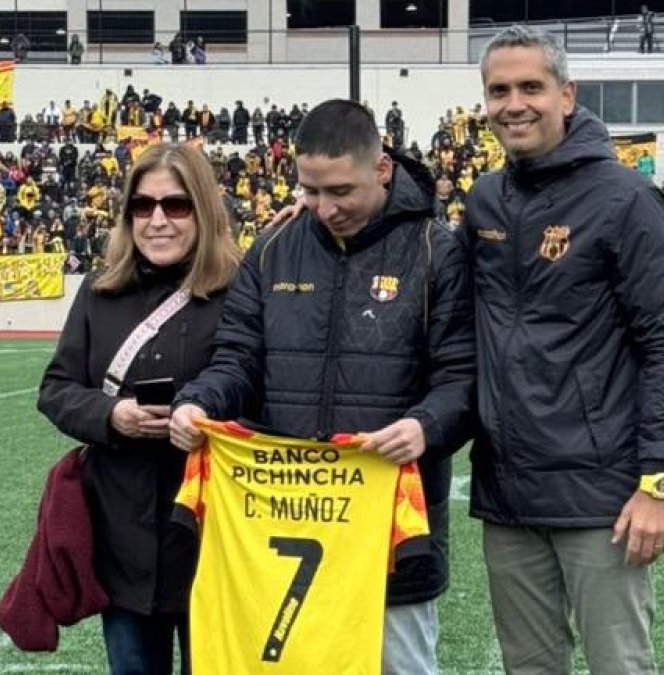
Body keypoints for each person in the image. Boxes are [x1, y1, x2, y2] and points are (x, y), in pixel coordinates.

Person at [169, 99, 475, 675]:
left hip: (387, 533)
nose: (324, 207)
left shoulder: (437, 250)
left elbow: (462, 379)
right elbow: (237, 361)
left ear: (381, 169)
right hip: (283, 520)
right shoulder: (273, 247)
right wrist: (197, 403)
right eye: (310, 190)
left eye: (341, 191)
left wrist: (423, 426)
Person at [463, 25, 664, 675]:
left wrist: (659, 483)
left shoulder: (626, 199)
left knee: (619, 665)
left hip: (602, 499)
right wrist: (311, 216)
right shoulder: (483, 199)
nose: (515, 103)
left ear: (568, 95)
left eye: (531, 87)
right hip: (507, 494)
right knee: (528, 668)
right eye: (499, 90)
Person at [36, 143, 240, 674]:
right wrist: (111, 416)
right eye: (142, 206)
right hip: (123, 539)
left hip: (214, 537)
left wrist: (203, 419)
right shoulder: (99, 291)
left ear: (203, 210)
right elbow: (56, 389)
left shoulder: (240, 291)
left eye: (175, 205)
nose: (157, 220)